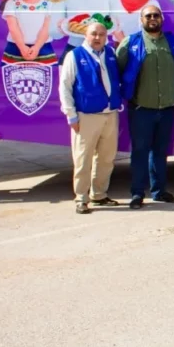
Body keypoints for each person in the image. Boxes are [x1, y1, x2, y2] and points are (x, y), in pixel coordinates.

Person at [116, 6, 174, 209]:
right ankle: (137, 193)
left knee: (160, 152)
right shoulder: (131, 42)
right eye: (148, 16)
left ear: (161, 18)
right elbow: (118, 70)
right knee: (140, 152)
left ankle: (159, 191)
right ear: (141, 19)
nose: (152, 18)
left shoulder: (172, 42)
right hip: (141, 109)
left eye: (156, 15)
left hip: (167, 108)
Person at [58, 19, 121, 214]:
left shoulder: (110, 54)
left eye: (101, 35)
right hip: (86, 116)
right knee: (83, 159)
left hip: (110, 114)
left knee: (106, 158)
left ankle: (99, 195)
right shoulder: (74, 56)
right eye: (93, 34)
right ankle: (81, 198)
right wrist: (71, 116)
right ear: (85, 35)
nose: (97, 38)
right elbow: (65, 87)